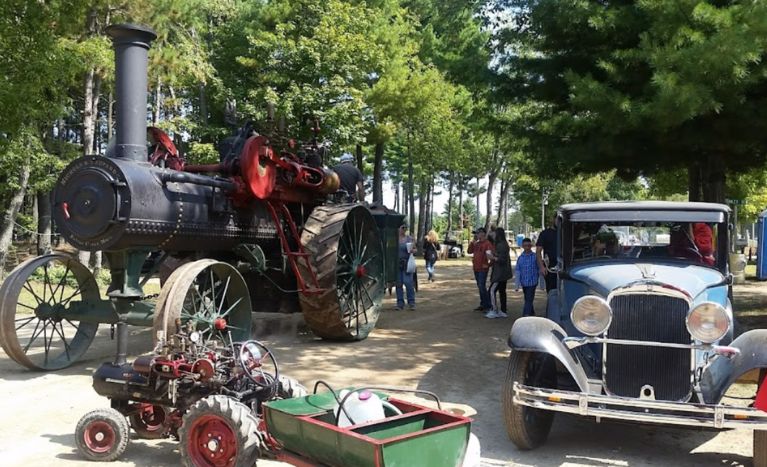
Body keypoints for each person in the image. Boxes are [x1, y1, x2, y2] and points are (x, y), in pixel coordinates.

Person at [486, 228, 513, 319]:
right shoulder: (503, 244)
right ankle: (503, 310)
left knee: (492, 290)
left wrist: (492, 257)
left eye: (494, 233)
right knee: (502, 291)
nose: (492, 235)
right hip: (504, 272)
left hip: (500, 273)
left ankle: (494, 310)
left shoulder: (501, 245)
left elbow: (501, 259)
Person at [468, 227, 494, 312]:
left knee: (482, 286)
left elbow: (490, 256)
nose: (476, 235)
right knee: (480, 286)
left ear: (483, 233)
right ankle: (483, 303)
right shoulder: (477, 244)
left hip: (482, 268)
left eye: (478, 233)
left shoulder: (487, 244)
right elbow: (469, 251)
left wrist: (488, 265)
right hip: (476, 267)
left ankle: (487, 305)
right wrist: (472, 243)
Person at [515, 238, 539, 317]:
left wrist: (542, 284)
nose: (527, 247)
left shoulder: (535, 257)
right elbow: (518, 271)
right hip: (524, 282)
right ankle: (531, 312)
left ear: (531, 246)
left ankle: (526, 314)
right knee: (528, 298)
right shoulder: (520, 258)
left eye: (529, 245)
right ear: (522, 246)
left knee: (529, 298)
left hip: (533, 282)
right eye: (525, 246)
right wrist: (517, 285)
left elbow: (539, 268)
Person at [396, 224, 416, 310]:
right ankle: (400, 304)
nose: (404, 229)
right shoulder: (394, 239)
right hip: (396, 264)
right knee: (398, 284)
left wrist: (413, 250)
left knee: (408, 283)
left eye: (405, 228)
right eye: (402, 227)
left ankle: (411, 303)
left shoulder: (409, 239)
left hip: (407, 264)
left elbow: (415, 249)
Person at [536, 214, 558, 292]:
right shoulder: (544, 234)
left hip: (565, 268)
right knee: (552, 292)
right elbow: (538, 251)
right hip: (550, 269)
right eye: (557, 219)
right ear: (554, 219)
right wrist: (542, 267)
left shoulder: (565, 233)